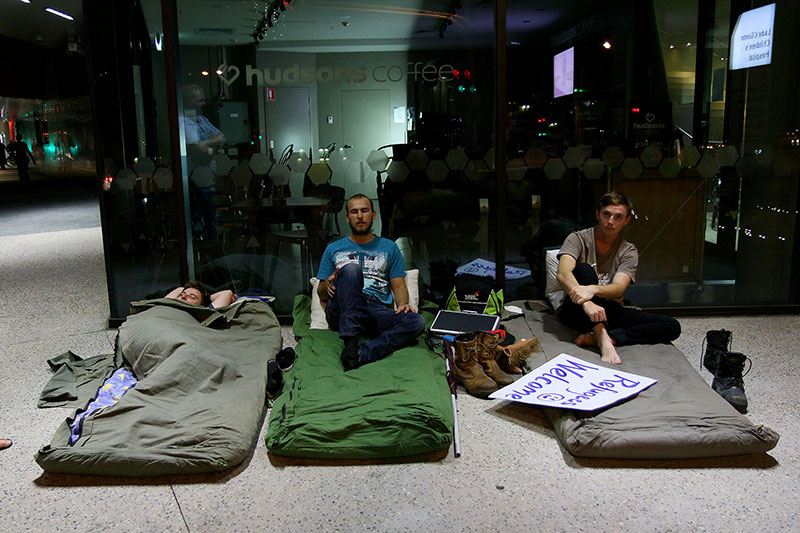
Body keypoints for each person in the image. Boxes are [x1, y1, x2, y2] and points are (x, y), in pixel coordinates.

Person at [556, 191, 680, 364]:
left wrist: (593, 290)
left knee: (672, 326)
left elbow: (618, 289)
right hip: (576, 308)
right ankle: (602, 338)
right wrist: (587, 302)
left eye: (618, 217)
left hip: (608, 309)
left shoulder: (628, 250)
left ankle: (609, 338)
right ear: (598, 214)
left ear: (626, 220)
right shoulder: (577, 238)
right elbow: (563, 273)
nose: (610, 221)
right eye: (606, 214)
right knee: (584, 270)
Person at [316, 194, 426, 371]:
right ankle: (351, 343)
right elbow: (321, 293)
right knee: (351, 269)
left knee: (417, 322)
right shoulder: (333, 248)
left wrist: (403, 305)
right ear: (347, 218)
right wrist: (327, 285)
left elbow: (398, 285)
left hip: (373, 311)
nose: (360, 216)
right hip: (342, 309)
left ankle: (362, 354)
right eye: (354, 212)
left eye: (364, 211)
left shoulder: (389, 247)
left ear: (373, 215)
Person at [165, 281, 236, 308]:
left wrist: (207, 299)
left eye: (192, 297)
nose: (184, 296)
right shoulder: (164, 306)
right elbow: (180, 289)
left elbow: (227, 293)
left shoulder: (203, 315)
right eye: (181, 295)